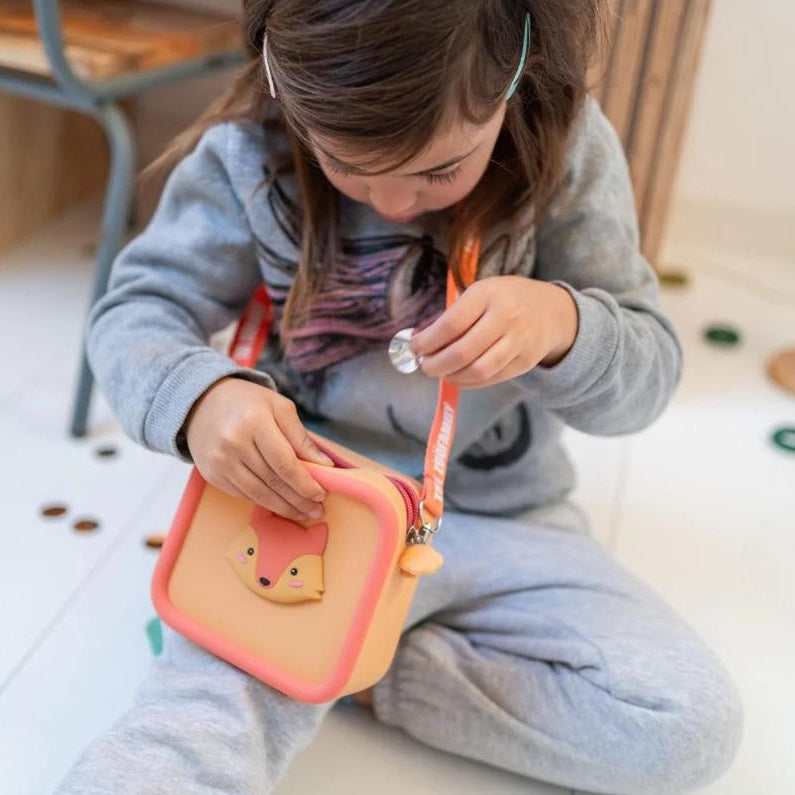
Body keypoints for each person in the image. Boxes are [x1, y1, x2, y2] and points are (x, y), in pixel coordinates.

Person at [56, 1, 742, 793]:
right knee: (180, 742)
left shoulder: (569, 150)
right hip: (312, 523)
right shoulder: (248, 153)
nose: (390, 204)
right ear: (286, 85)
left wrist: (564, 324)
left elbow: (648, 378)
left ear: (513, 75)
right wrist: (200, 398)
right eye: (347, 165)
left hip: (501, 520)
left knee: (683, 726)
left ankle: (359, 668)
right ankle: (327, 651)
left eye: (438, 170)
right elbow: (135, 312)